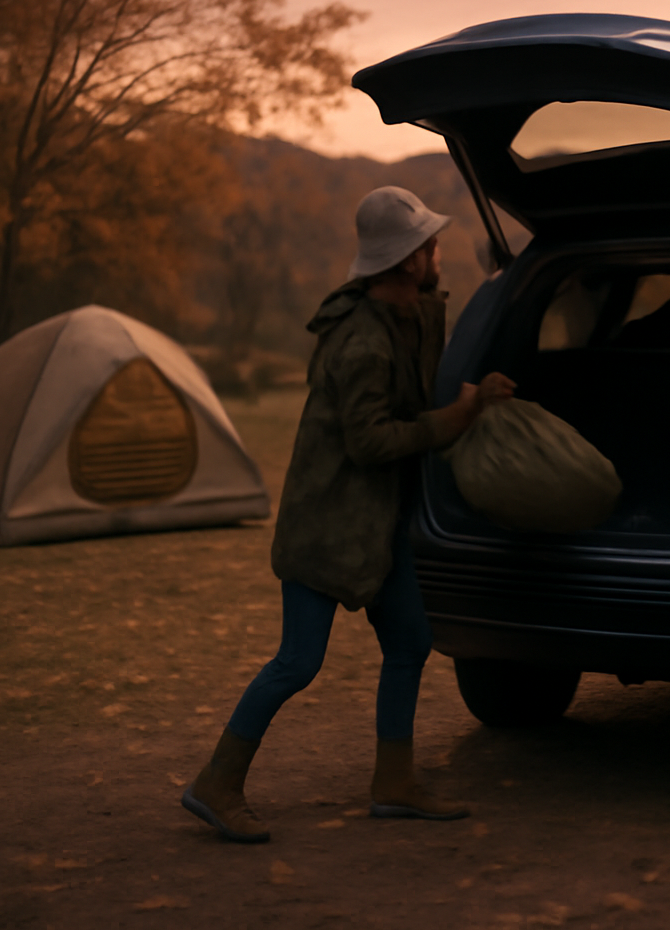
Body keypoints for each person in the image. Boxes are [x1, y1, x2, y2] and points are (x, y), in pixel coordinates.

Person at [182, 186, 515, 843]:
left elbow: (430, 364)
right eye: (427, 245)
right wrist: (459, 416)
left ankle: (393, 783)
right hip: (328, 529)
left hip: (377, 526)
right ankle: (216, 783)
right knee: (297, 663)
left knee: (410, 642)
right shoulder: (359, 341)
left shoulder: (411, 313)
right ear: (405, 261)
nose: (436, 252)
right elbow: (370, 442)